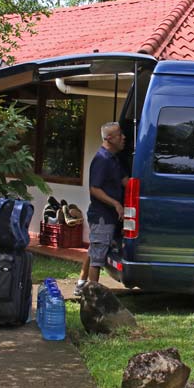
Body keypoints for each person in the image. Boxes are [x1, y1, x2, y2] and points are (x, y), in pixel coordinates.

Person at [74, 122, 128, 296]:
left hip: (109, 216)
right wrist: (116, 204)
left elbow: (123, 180)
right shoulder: (102, 159)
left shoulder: (114, 158)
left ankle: (81, 283)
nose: (124, 137)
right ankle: (93, 296)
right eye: (120, 135)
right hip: (102, 216)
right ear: (109, 139)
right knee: (98, 257)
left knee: (94, 248)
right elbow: (94, 189)